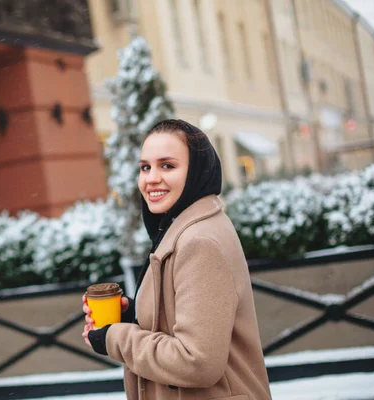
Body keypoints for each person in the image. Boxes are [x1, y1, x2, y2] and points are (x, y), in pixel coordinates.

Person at [82, 119, 271, 399]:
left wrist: (116, 338)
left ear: (196, 171)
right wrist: (133, 317)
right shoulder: (185, 227)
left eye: (167, 166)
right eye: (145, 167)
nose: (151, 178)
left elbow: (197, 362)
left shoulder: (199, 242)